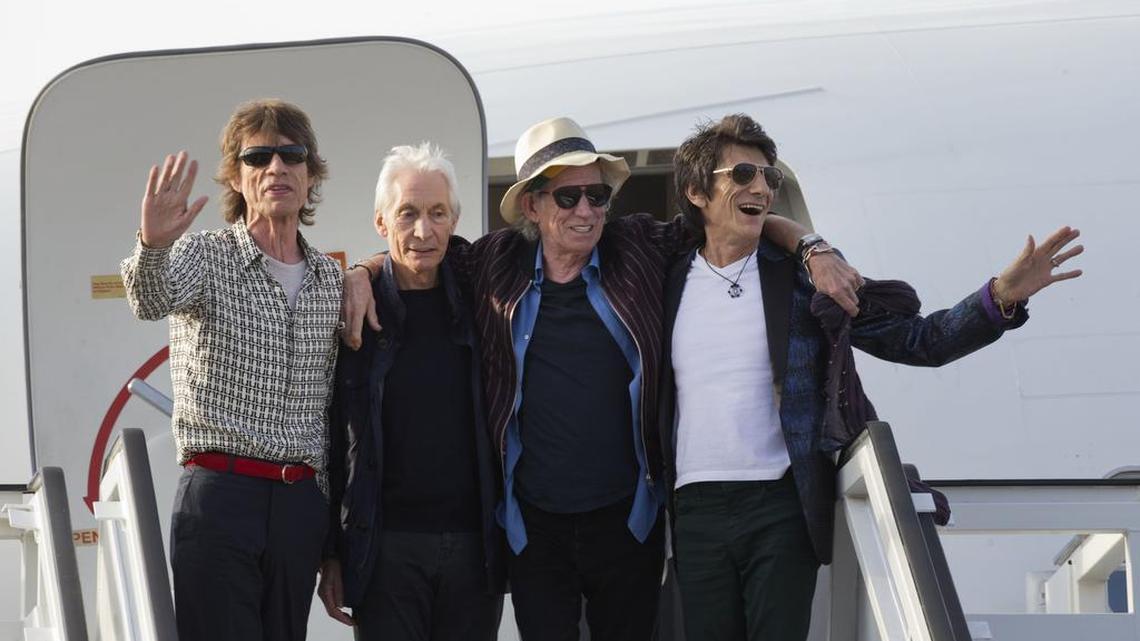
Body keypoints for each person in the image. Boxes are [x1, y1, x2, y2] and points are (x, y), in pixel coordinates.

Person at [342, 117, 859, 641]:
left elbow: (728, 217)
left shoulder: (636, 246)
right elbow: (420, 249)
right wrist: (360, 273)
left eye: (597, 196)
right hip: (534, 529)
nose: (587, 211)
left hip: (626, 520)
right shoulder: (496, 262)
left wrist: (811, 246)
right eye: (568, 198)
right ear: (533, 206)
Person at [659, 113, 1084, 641]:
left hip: (780, 502)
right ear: (697, 190)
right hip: (694, 505)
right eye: (743, 174)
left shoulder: (802, 282)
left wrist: (1001, 297)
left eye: (770, 177)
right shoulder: (664, 276)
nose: (761, 188)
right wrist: (812, 241)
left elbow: (919, 341)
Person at [120, 99, 342, 641]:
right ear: (237, 179)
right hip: (220, 497)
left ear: (311, 175)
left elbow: (338, 413)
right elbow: (150, 298)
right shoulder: (205, 256)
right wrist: (152, 245)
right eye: (257, 156)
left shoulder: (333, 282)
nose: (275, 168)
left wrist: (332, 540)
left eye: (291, 155)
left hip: (299, 504)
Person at [317, 143, 506, 640]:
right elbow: (330, 439)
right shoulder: (354, 312)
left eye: (437, 213)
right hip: (385, 551)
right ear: (382, 223)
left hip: (474, 549)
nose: (423, 231)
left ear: (455, 219)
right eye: (408, 214)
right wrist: (332, 552)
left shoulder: (484, 297)